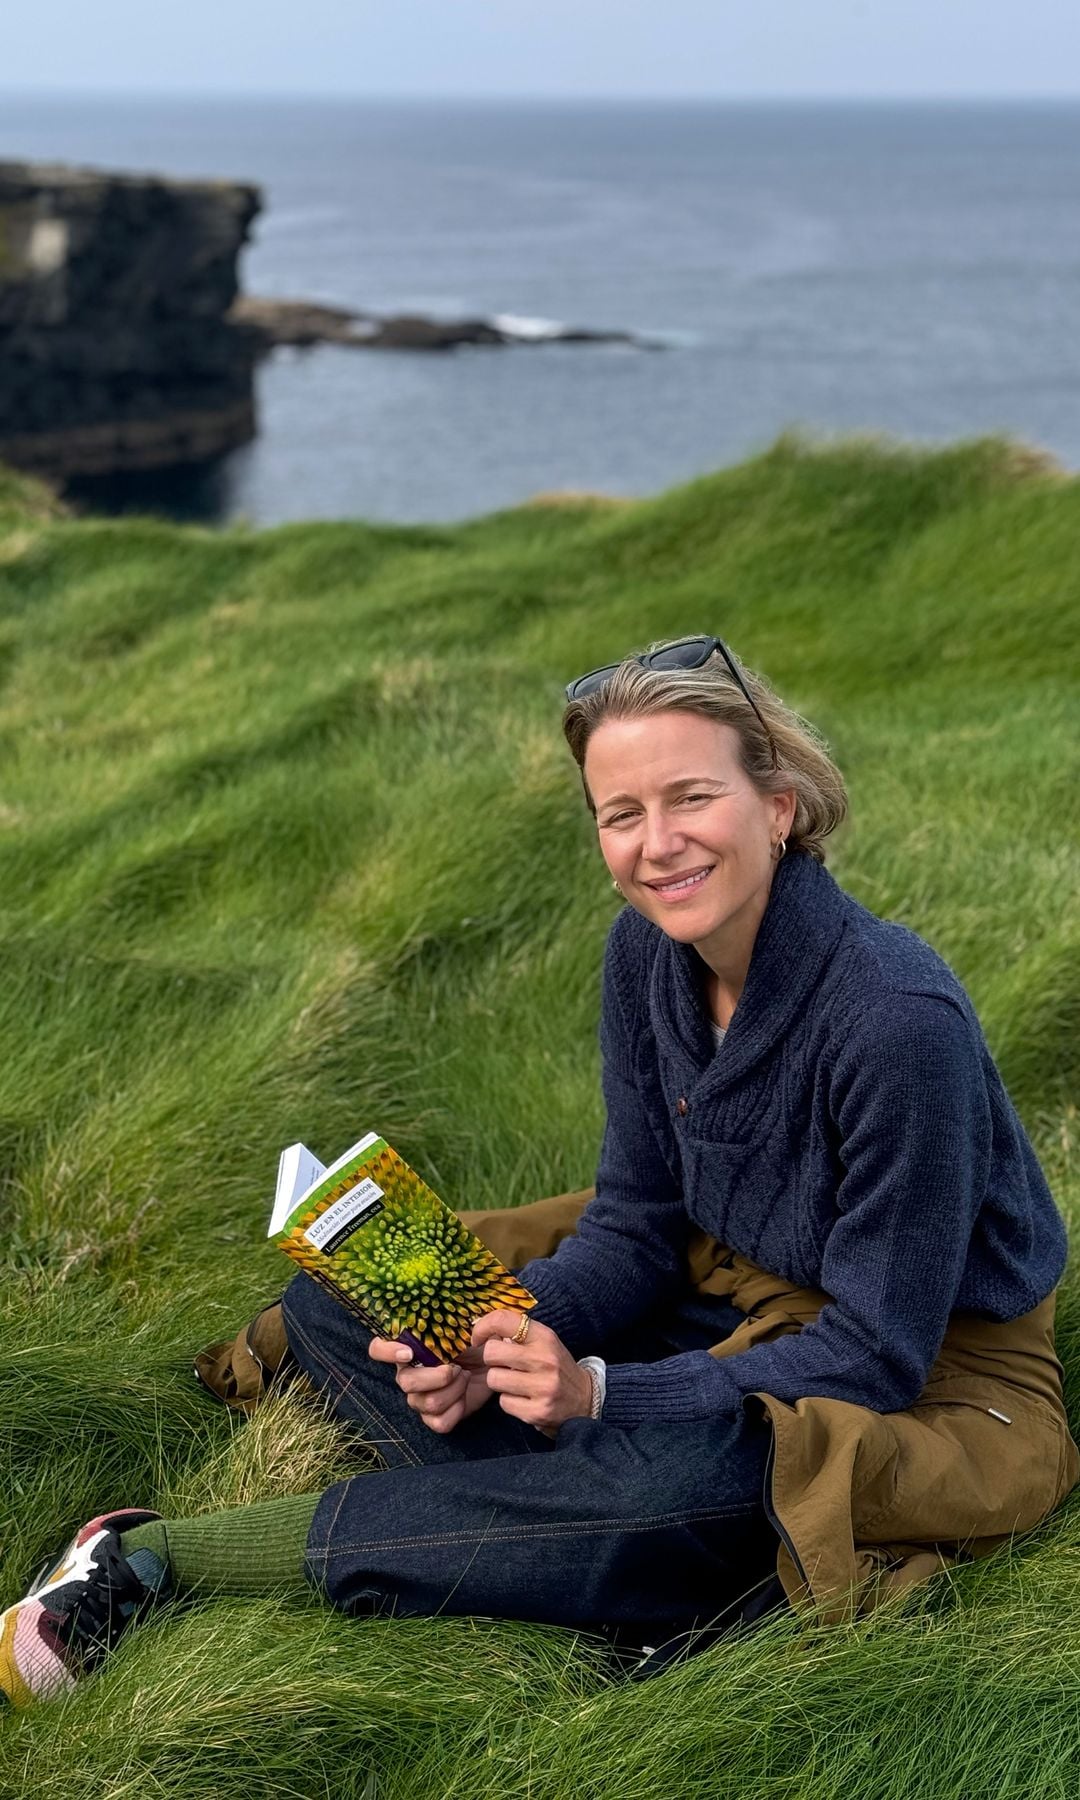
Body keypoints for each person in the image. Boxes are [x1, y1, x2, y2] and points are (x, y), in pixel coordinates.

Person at [3, 633, 1075, 1708]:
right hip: (725, 1290)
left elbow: (878, 1351)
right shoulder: (645, 956)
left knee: (717, 1477)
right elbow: (638, 1224)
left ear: (780, 806)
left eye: (691, 798)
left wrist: (604, 1393)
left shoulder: (896, 1019)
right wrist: (507, 1342)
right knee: (344, 1305)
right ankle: (616, 1548)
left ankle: (158, 1562)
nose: (657, 846)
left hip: (930, 1371)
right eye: (621, 814)